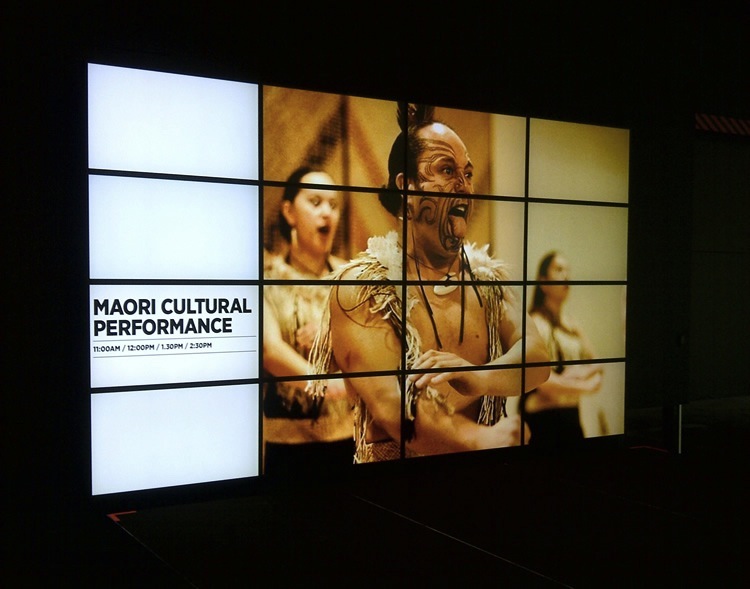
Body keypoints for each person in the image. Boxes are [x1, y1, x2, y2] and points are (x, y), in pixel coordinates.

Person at [309, 104, 550, 463]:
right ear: (406, 187)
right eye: (447, 170)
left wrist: (479, 377)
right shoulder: (363, 289)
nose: (464, 186)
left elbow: (538, 358)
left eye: (468, 173)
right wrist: (480, 440)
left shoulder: (487, 281)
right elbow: (392, 403)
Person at [262, 166, 354, 475]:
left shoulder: (352, 278)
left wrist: (331, 335)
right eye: (315, 202)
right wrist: (326, 384)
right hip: (287, 445)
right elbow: (271, 351)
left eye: (333, 205)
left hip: (347, 437)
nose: (327, 212)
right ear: (289, 212)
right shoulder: (267, 278)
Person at [520, 252, 604, 447]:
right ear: (543, 282)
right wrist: (584, 386)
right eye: (558, 269)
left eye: (567, 270)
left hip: (571, 420)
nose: (566, 275)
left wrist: (573, 376)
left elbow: (597, 366)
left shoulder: (573, 326)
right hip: (543, 424)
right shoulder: (535, 323)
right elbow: (540, 380)